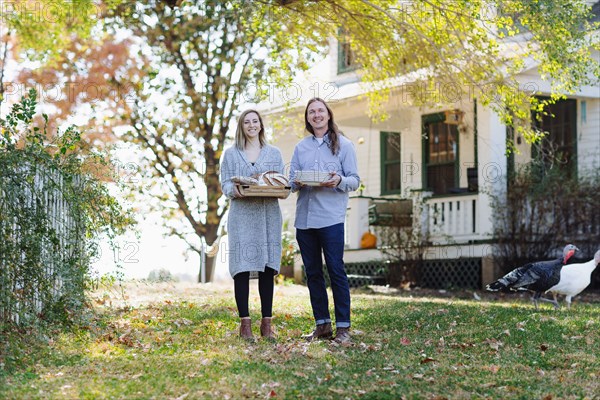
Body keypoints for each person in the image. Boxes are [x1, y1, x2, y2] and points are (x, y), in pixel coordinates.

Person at [290, 98, 360, 344]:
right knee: (313, 274)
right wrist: (296, 183)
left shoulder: (345, 145)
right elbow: (292, 182)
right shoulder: (300, 147)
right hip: (305, 220)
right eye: (312, 112)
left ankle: (343, 328)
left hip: (330, 219)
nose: (316, 115)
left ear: (328, 115)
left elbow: (354, 180)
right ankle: (322, 325)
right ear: (308, 118)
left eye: (320, 110)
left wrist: (338, 180)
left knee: (336, 270)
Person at [220, 109, 284, 341]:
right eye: (247, 122)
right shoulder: (231, 154)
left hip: (268, 215)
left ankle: (267, 324)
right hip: (242, 216)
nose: (251, 125)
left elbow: (282, 182)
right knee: (242, 267)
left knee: (267, 267)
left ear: (261, 125)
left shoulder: (274, 154)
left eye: (255, 121)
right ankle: (245, 324)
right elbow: (225, 183)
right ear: (241, 127)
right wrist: (233, 190)